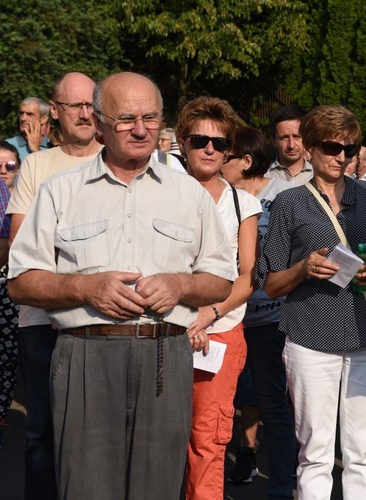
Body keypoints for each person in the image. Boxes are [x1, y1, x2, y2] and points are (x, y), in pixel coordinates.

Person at [7, 71, 236, 499]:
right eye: (127, 117)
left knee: (158, 489)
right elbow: (21, 282)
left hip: (165, 356)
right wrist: (84, 289)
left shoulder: (189, 193)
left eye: (150, 117)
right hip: (85, 355)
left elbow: (221, 280)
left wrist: (180, 283)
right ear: (98, 122)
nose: (141, 128)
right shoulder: (60, 191)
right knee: (87, 486)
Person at [256, 104, 366, 499]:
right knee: (316, 453)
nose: (341, 157)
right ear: (310, 149)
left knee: (361, 454)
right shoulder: (289, 202)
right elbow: (270, 284)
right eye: (332, 147)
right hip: (309, 336)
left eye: (350, 150)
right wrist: (304, 268)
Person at [6, 72, 102, 500]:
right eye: (75, 105)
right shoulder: (37, 166)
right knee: (41, 431)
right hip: (40, 319)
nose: (85, 113)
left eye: (90, 105)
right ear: (54, 113)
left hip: (106, 319)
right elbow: (22, 247)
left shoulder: (119, 161)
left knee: (100, 433)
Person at [178, 98, 262, 499]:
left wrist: (209, 315)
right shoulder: (161, 192)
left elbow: (248, 277)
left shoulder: (241, 203)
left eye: (219, 142)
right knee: (159, 437)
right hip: (165, 330)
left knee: (208, 439)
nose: (210, 149)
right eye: (200, 140)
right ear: (182, 143)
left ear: (230, 148)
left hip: (221, 333)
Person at [222, 126, 296, 497]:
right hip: (226, 319)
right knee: (223, 407)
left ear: (246, 160)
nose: (218, 158)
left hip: (271, 322)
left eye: (226, 153)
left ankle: (282, 486)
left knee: (273, 406)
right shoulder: (219, 195)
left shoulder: (284, 195)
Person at [0, 141, 17, 451]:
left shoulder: (26, 201)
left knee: (8, 357)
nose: (3, 171)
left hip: (12, 290)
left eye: (10, 166)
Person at [265, 105, 313, 186]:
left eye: (297, 136)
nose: (291, 145)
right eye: (285, 137)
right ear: (273, 141)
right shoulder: (263, 176)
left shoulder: (319, 176)